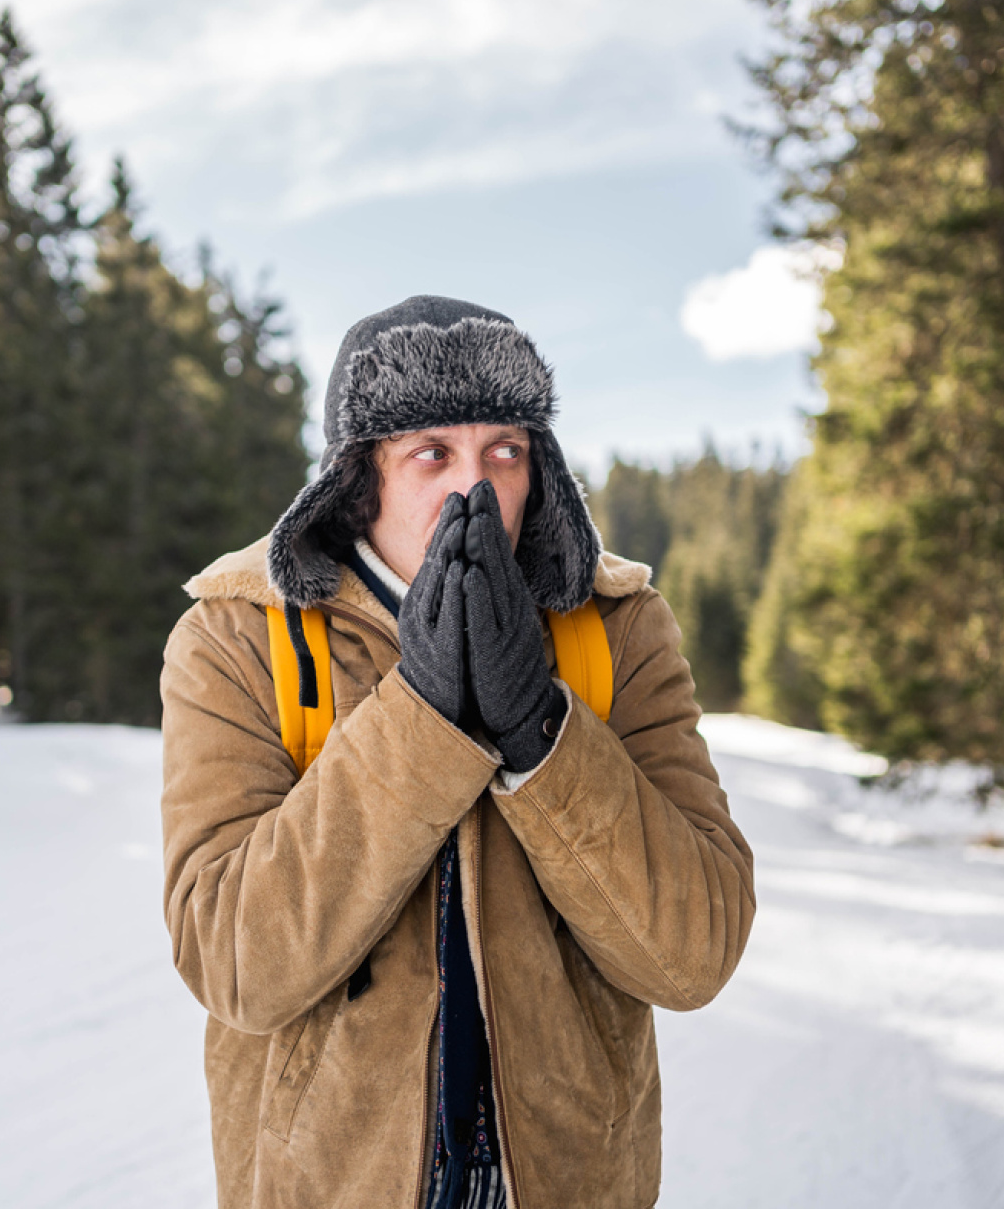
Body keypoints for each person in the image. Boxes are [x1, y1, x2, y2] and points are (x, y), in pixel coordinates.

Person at [160, 295, 755, 1209]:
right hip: (330, 1179)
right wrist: (421, 717)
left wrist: (542, 735)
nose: (472, 490)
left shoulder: (619, 628)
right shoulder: (236, 637)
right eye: (430, 453)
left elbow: (694, 951)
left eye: (504, 452)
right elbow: (235, 963)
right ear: (359, 481)